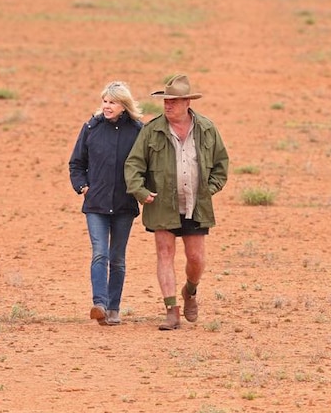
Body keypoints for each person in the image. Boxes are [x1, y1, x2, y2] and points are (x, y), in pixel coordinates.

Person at [124, 74, 229, 330]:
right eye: (165, 101)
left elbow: (221, 164)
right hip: (162, 204)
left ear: (186, 102)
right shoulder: (152, 131)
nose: (167, 105)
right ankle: (172, 310)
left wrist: (210, 188)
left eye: (173, 101)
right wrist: (140, 191)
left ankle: (190, 291)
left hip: (196, 204)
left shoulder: (206, 128)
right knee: (164, 254)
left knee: (196, 259)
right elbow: (133, 164)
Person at [69, 81, 144, 326]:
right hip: (96, 204)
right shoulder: (91, 127)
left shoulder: (137, 131)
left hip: (124, 204)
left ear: (124, 105)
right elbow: (77, 163)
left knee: (117, 258)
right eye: (104, 101)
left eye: (112, 102)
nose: (107, 106)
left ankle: (113, 308)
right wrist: (83, 187)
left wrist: (142, 191)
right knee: (99, 253)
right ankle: (99, 304)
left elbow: (146, 165)